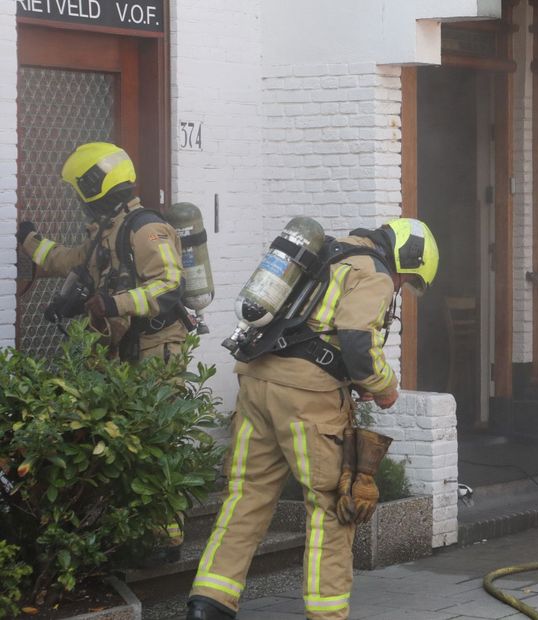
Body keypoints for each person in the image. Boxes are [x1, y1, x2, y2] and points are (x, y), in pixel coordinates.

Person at [185, 218, 440, 620]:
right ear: (405, 258)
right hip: (308, 400)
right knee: (331, 505)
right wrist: (385, 385)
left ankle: (209, 602)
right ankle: (327, 614)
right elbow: (357, 341)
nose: (398, 288)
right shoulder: (372, 272)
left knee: (246, 494)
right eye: (404, 280)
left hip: (255, 382)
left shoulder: (329, 252)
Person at [16, 141, 189, 562]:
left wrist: (115, 304)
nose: (77, 199)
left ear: (94, 187)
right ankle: (133, 530)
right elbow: (73, 261)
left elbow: (169, 286)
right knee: (126, 436)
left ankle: (167, 539)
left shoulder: (147, 229)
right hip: (125, 345)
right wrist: (28, 241)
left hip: (156, 345)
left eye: (79, 189)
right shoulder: (108, 230)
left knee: (154, 436)